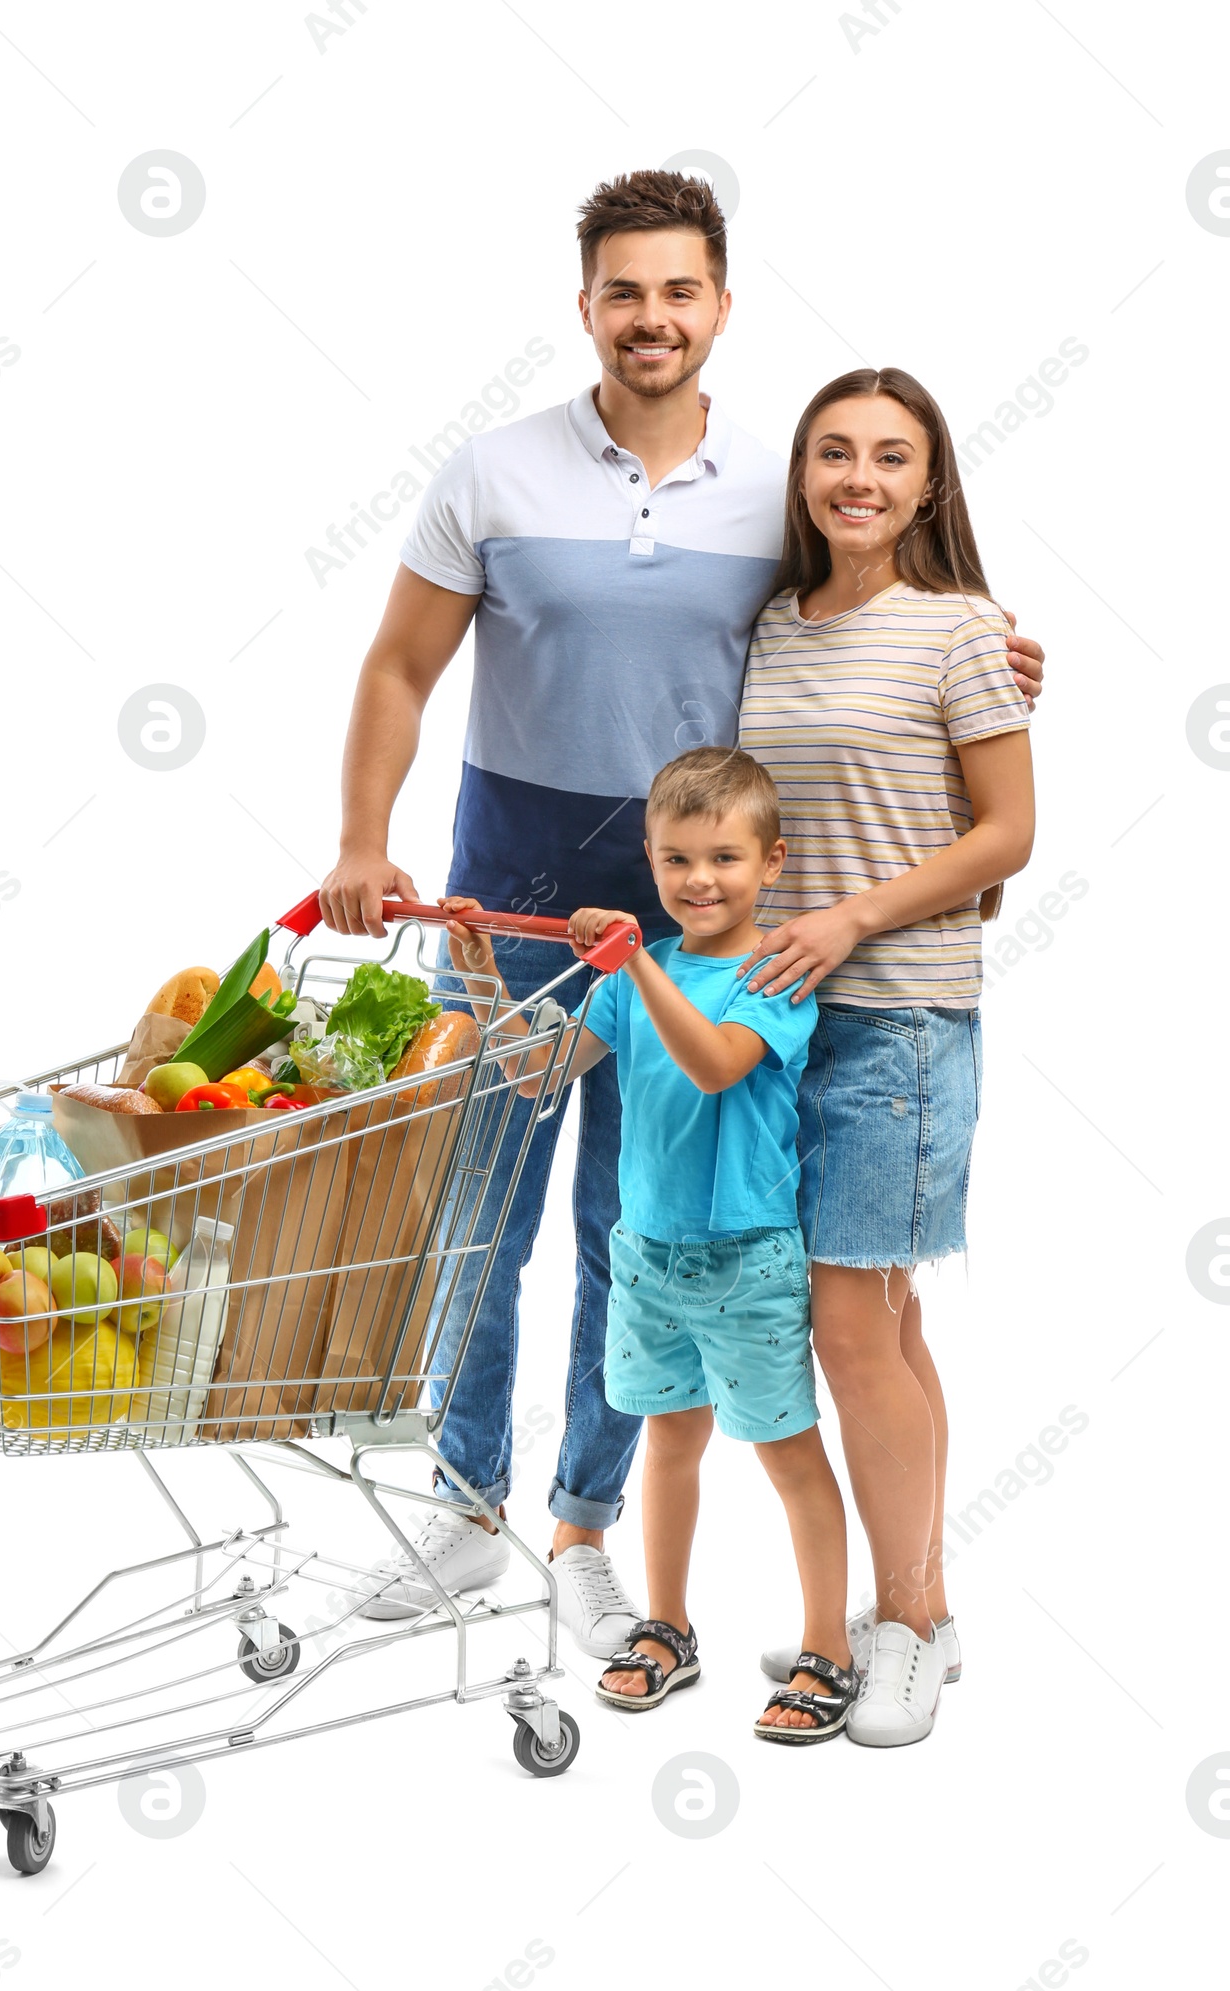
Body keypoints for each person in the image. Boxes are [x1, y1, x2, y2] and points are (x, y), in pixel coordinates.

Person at [318, 168, 1046, 1660]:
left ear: (720, 304)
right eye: (624, 292)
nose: (652, 319)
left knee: (629, 1217)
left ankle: (582, 1526)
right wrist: (359, 836)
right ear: (585, 304)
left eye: (680, 291)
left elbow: (867, 601)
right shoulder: (492, 473)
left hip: (695, 898)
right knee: (480, 1213)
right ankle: (464, 1509)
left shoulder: (771, 500)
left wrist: (993, 657)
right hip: (512, 881)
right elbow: (398, 667)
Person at [442, 748, 859, 1741]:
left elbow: (716, 1065)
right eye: (675, 858)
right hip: (647, 1258)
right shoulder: (635, 977)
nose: (698, 878)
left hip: (747, 1259)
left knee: (787, 1452)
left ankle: (826, 1649)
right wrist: (478, 971)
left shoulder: (776, 974)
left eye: (722, 856)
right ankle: (665, 1626)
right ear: (649, 858)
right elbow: (538, 1077)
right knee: (670, 1442)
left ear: (772, 864)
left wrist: (628, 962)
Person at [736, 367, 1035, 1744]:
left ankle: (906, 1620)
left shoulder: (964, 629)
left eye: (891, 456)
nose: (860, 476)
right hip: (785, 1023)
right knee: (885, 1318)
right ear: (803, 475)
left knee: (849, 1322)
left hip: (902, 1018)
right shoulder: (773, 628)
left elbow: (1005, 832)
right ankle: (928, 1601)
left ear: (930, 484)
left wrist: (852, 914)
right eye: (835, 452)